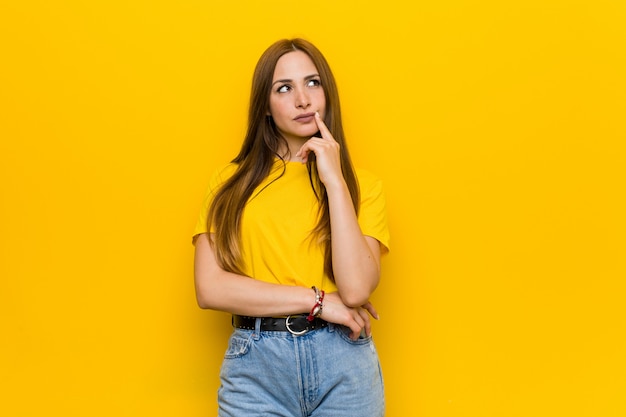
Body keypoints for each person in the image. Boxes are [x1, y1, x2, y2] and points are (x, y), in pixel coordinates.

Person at [192, 38, 390, 417]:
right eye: (284, 88)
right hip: (256, 366)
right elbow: (210, 288)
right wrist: (317, 302)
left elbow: (356, 287)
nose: (303, 99)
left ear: (327, 93)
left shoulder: (362, 186)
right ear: (264, 108)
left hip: (345, 366)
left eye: (312, 83)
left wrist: (334, 180)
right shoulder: (229, 183)